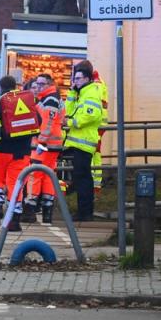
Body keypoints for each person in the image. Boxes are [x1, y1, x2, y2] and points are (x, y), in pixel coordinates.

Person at [0, 75, 33, 232]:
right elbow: (36, 120)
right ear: (16, 86)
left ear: (0, 87)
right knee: (15, 184)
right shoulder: (25, 103)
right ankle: (14, 219)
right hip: (21, 151)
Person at [63, 61, 104, 221]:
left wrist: (72, 122)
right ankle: (83, 212)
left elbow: (91, 114)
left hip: (84, 142)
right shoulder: (82, 92)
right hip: (78, 142)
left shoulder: (91, 93)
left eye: (78, 79)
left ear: (87, 79)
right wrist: (72, 93)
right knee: (80, 178)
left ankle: (85, 213)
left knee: (83, 179)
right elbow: (68, 111)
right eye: (75, 79)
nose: (76, 81)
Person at [26, 73, 64, 224]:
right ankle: (47, 210)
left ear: (49, 84)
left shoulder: (50, 99)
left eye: (42, 84)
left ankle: (30, 208)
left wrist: (40, 142)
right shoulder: (52, 98)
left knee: (35, 175)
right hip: (52, 145)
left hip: (44, 145)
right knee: (48, 176)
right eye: (38, 83)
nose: (39, 86)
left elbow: (46, 124)